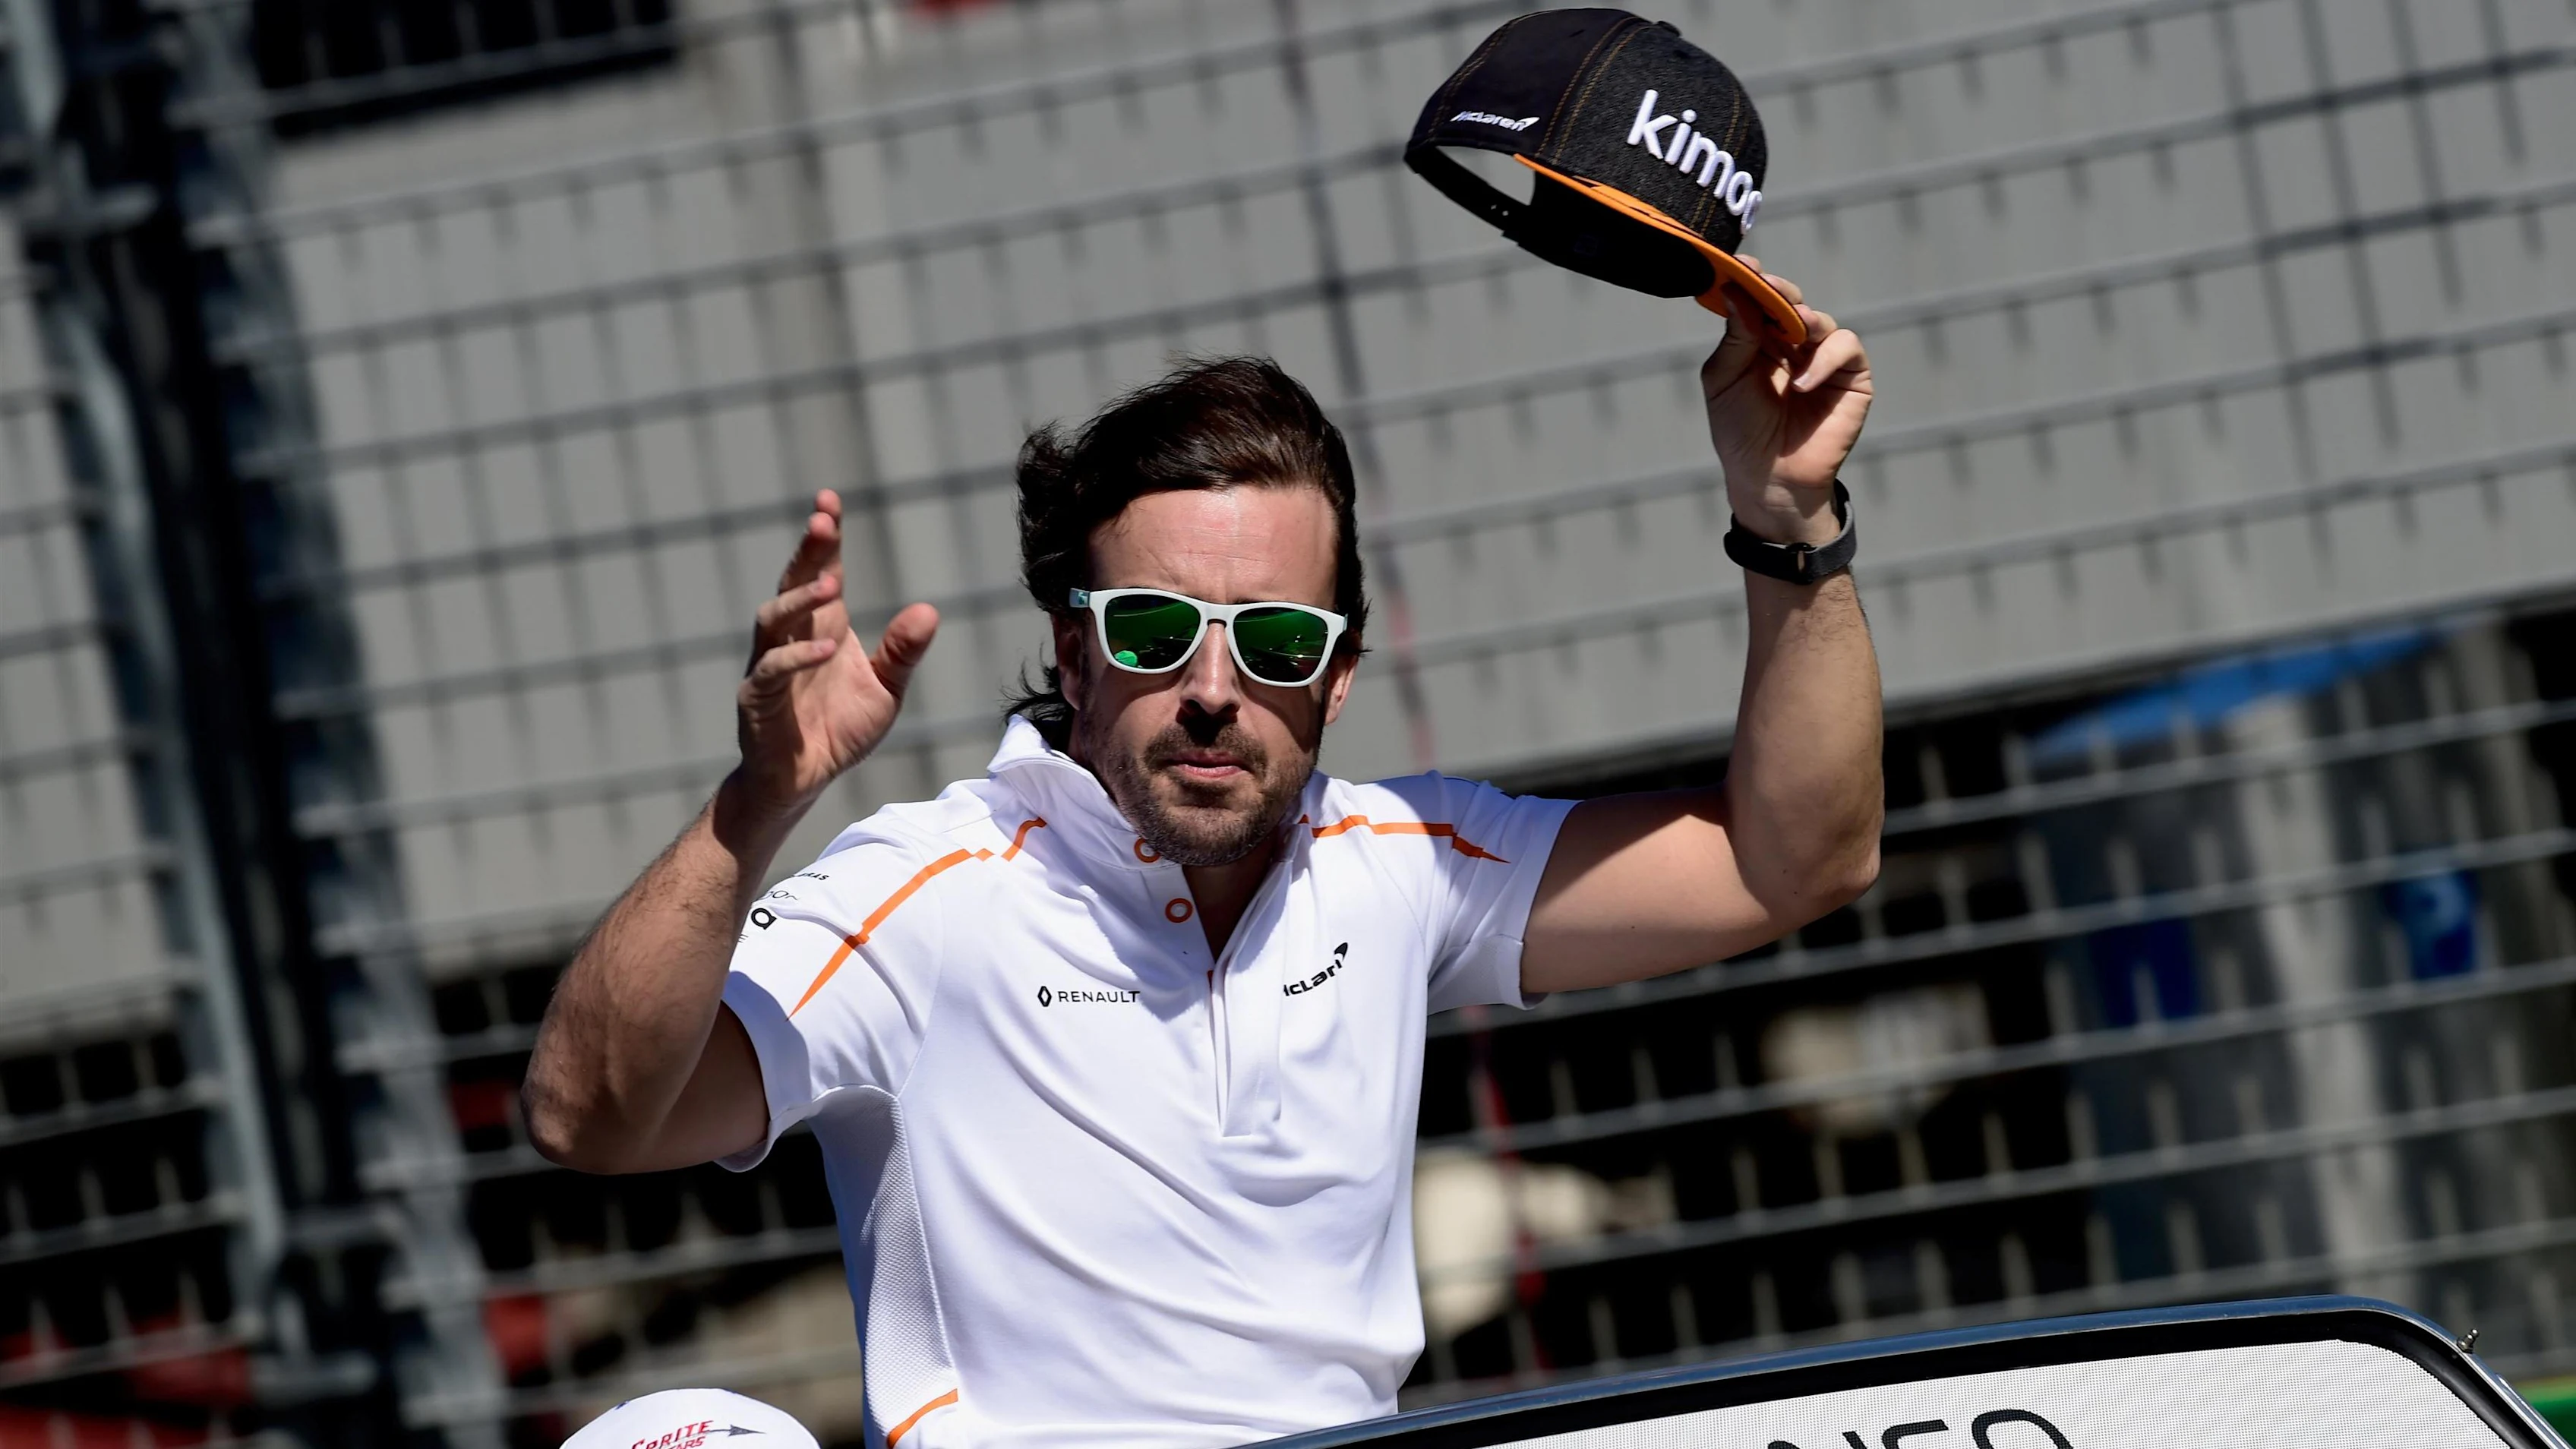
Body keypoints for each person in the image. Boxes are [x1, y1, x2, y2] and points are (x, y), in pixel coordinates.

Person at [522, 266, 1881, 1448]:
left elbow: (1793, 866)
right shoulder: (928, 892)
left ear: (1339, 678)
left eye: (1278, 641)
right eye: (1153, 630)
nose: (1215, 688)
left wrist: (1789, 524)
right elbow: (589, 1118)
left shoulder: (1402, 863)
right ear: (1072, 650)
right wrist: (755, 806)